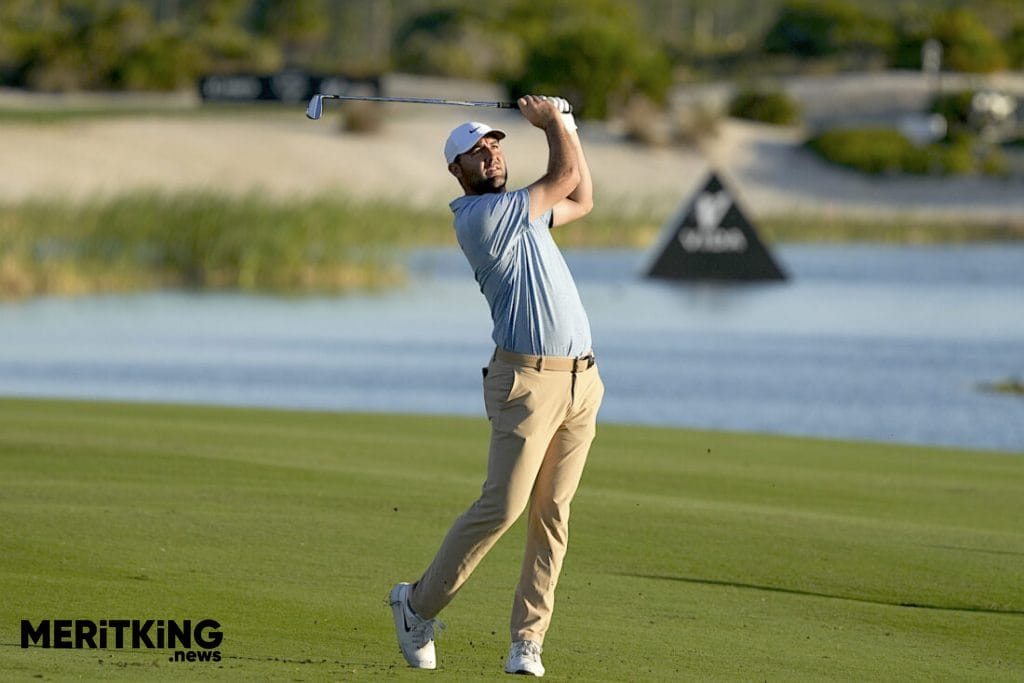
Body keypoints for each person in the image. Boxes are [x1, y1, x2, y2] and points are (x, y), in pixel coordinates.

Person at [388, 95, 604, 677]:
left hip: (582, 381)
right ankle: (416, 606)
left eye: (494, 148)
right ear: (455, 171)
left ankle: (527, 642)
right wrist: (555, 122)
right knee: (504, 507)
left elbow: (580, 196)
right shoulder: (481, 218)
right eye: (475, 153)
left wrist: (570, 126)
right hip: (527, 382)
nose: (490, 157)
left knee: (553, 515)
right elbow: (562, 176)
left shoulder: (524, 213)